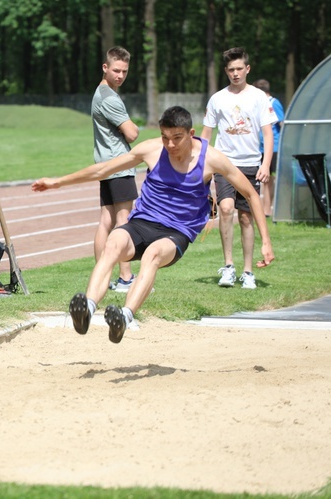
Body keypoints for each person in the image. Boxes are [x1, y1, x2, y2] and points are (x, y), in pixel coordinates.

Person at [31, 106, 274, 343]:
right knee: (113, 242)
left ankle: (124, 318)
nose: (170, 145)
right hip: (143, 222)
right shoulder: (152, 150)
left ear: (191, 134)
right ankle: (87, 308)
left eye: (177, 138)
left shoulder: (212, 158)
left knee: (153, 254)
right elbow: (104, 169)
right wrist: (58, 182)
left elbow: (251, 194)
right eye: (165, 137)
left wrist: (266, 241)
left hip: (177, 232)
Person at [201, 47, 277, 290]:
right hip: (224, 163)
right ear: (226, 71)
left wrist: (265, 164)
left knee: (246, 218)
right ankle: (229, 266)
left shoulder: (259, 97)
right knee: (225, 208)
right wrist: (201, 164)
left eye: (239, 69)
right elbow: (206, 134)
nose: (235, 73)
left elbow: (268, 133)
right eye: (231, 69)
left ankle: (247, 271)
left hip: (250, 163)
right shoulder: (217, 99)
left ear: (247, 69)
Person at [91, 46, 140, 292]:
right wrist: (133, 128)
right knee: (124, 220)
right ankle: (125, 278)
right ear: (105, 67)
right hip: (119, 165)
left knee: (106, 221)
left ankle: (102, 276)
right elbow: (132, 132)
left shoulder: (101, 93)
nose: (120, 75)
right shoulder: (109, 97)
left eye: (124, 71)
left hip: (106, 164)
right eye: (116, 70)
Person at [252, 79, 285, 217]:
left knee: (273, 178)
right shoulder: (258, 105)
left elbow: (282, 123)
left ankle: (274, 207)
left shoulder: (274, 103)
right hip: (261, 148)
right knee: (265, 179)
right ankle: (266, 209)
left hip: (275, 147)